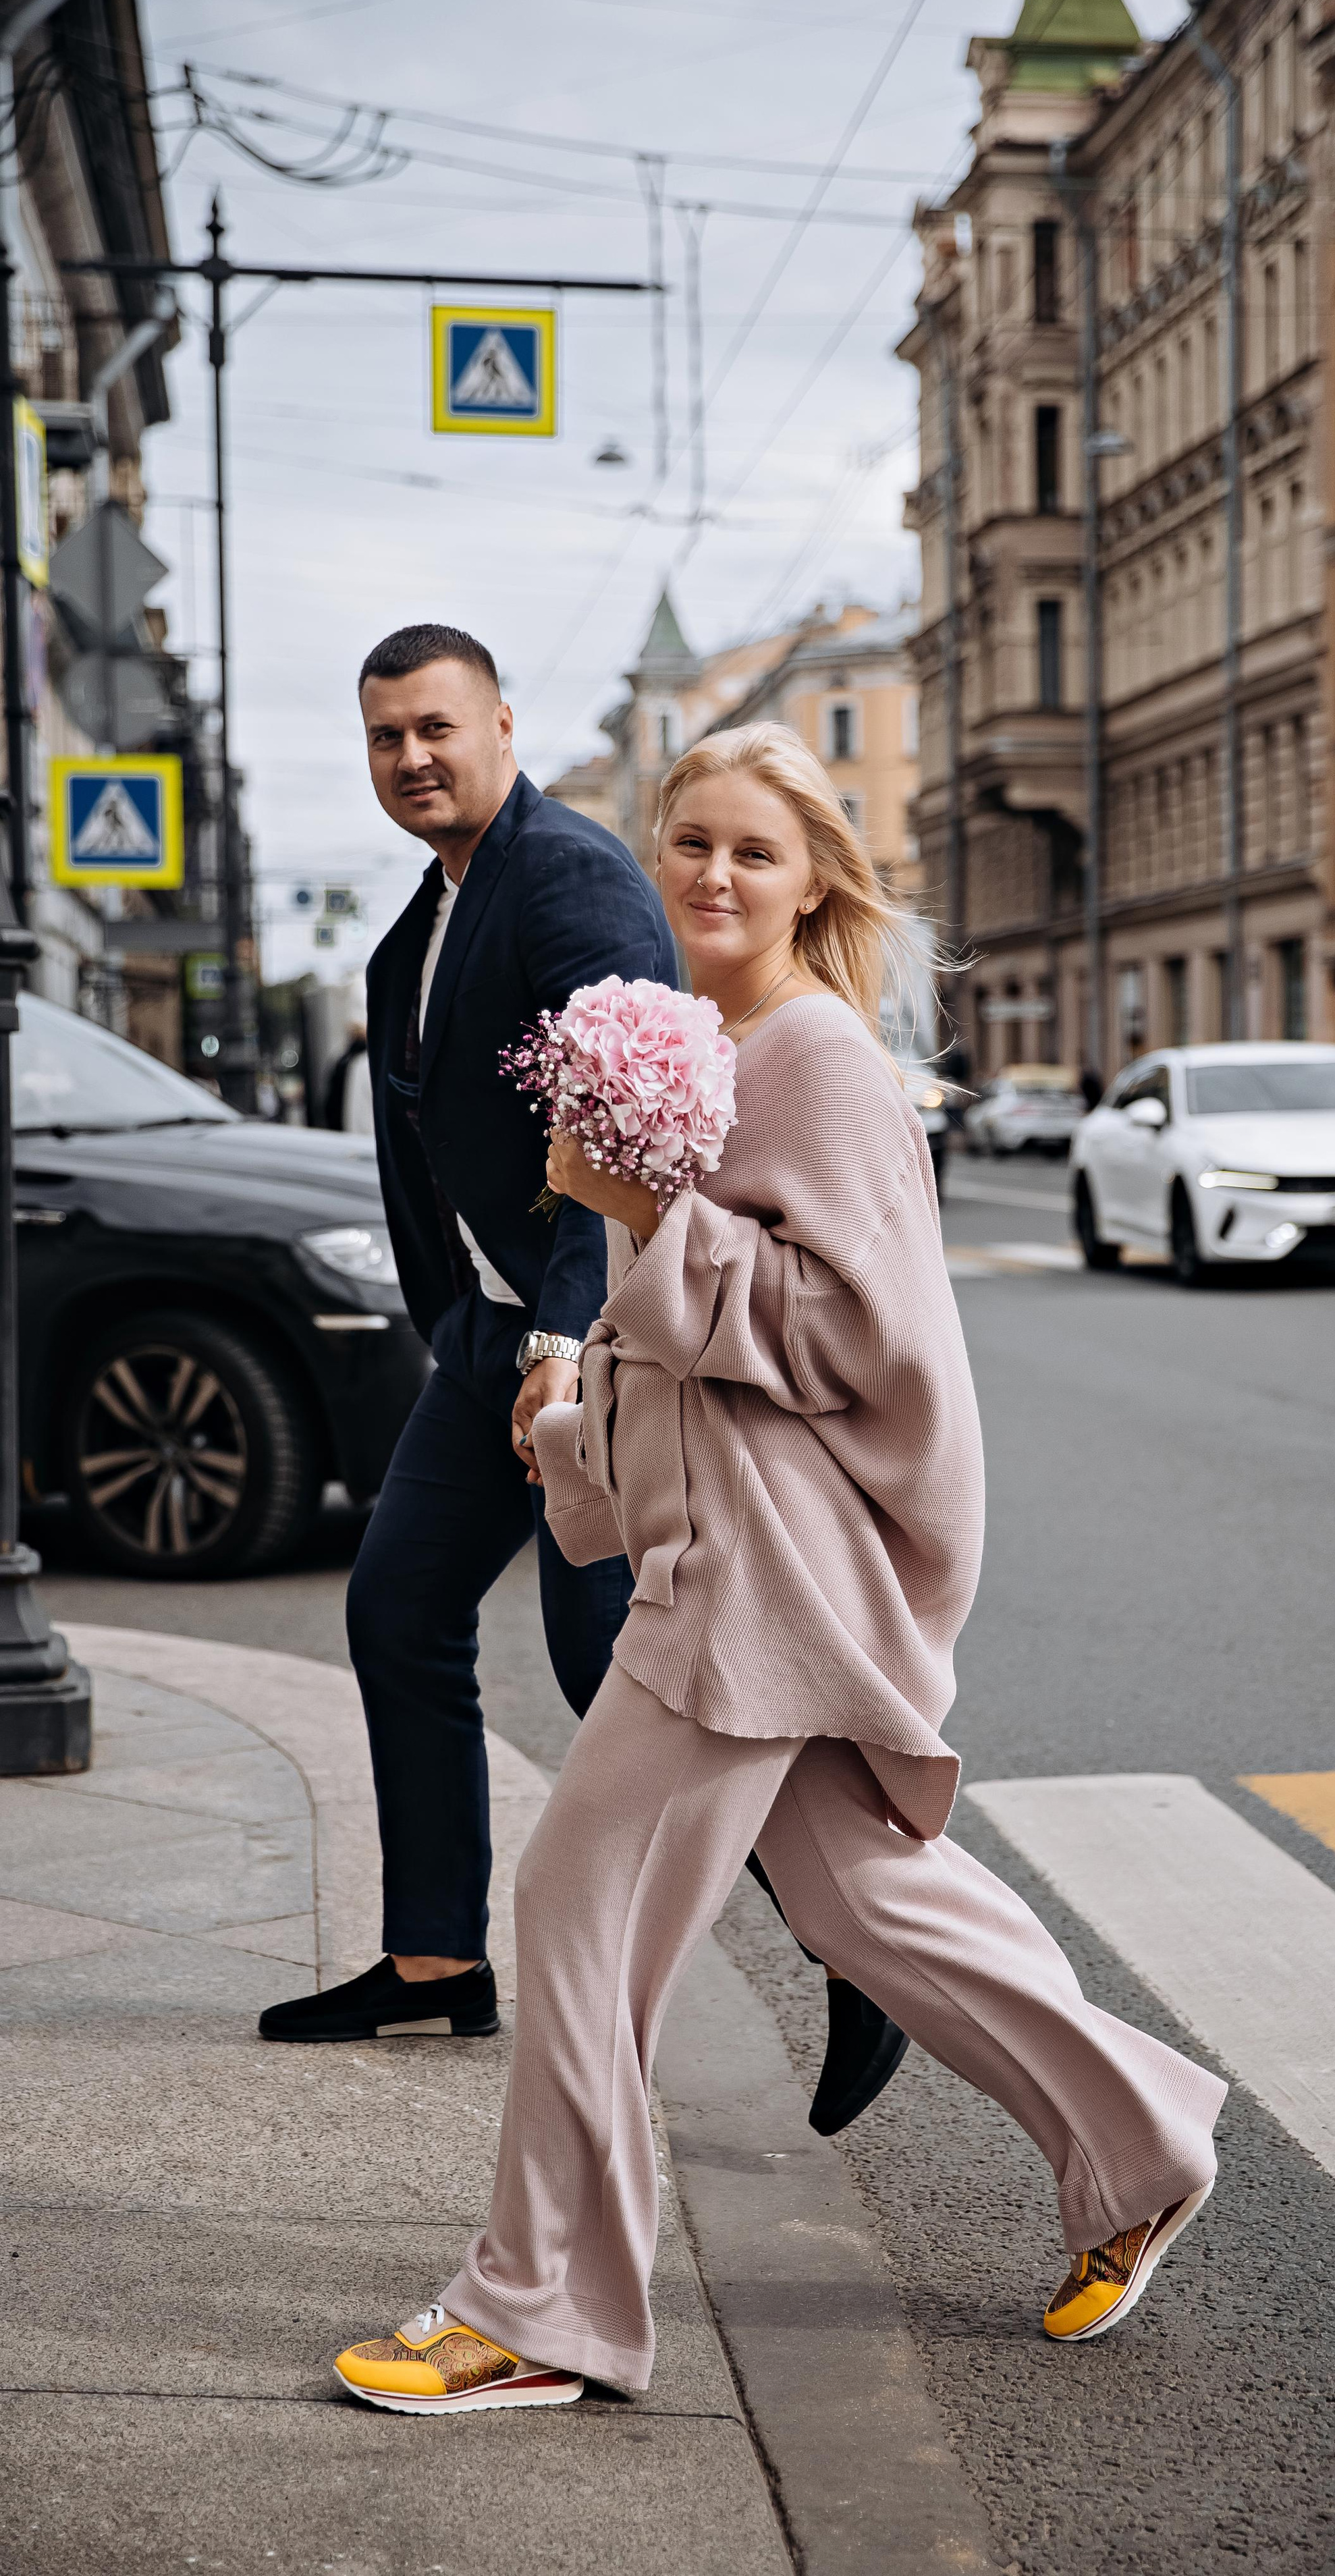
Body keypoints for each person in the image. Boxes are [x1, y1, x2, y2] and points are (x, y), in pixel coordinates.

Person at [333, 723, 1227, 2415]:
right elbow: (693, 1327)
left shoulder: (817, 1055)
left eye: (752, 849)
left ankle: (544, 2308)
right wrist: (576, 1394)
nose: (714, 875)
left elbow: (853, 1336)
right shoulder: (696, 1039)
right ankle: (1142, 2141)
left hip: (763, 1572)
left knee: (573, 1909)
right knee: (864, 1899)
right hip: (716, 1539)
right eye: (689, 843)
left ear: (815, 874)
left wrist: (646, 1213)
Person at [261, 632, 904, 2140]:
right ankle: (430, 1957)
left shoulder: (565, 874)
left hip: (592, 1339)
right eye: (382, 740)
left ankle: (859, 1942)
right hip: (486, 1338)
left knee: (622, 1668)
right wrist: (460, 1319)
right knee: (397, 1605)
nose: (410, 759)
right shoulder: (421, 918)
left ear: (498, 723)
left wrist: (562, 1335)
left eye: (434, 728)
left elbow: (638, 1129)